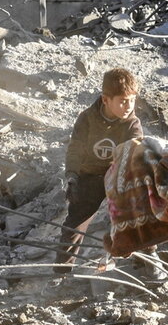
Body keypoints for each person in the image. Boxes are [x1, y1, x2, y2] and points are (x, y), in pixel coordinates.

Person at [54, 68, 152, 274]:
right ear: (106, 99)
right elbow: (75, 148)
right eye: (122, 101)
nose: (128, 107)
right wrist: (72, 175)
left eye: (131, 101)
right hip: (89, 176)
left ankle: (146, 261)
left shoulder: (132, 124)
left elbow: (135, 152)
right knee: (75, 223)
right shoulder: (87, 118)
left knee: (140, 212)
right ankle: (62, 271)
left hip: (118, 177)